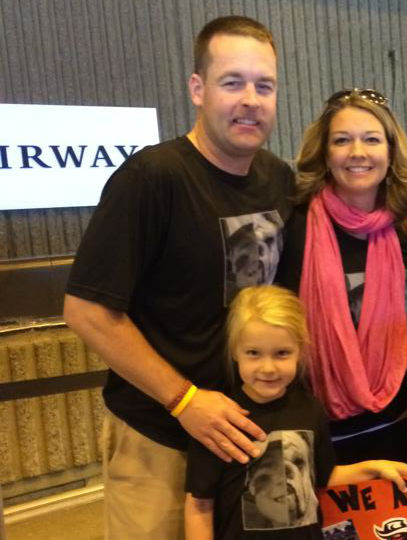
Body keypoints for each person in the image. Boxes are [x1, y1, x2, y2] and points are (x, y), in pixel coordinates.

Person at [63, 16, 293, 539]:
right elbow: (86, 310)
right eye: (232, 82)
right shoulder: (151, 178)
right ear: (198, 89)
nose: (250, 99)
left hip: (246, 437)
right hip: (160, 437)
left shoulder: (278, 179)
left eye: (264, 85)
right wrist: (185, 400)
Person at [184, 285, 407, 540]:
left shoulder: (310, 409)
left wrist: (374, 468)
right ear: (236, 352)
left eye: (282, 353)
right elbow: (199, 505)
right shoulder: (219, 418)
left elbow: (325, 476)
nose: (268, 368)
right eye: (253, 353)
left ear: (300, 351)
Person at [275, 88, 407, 465]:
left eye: (371, 139)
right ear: (325, 154)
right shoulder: (294, 222)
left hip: (400, 428)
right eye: (342, 140)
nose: (357, 152)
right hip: (316, 438)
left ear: (390, 152)